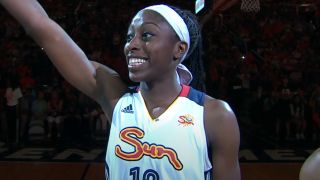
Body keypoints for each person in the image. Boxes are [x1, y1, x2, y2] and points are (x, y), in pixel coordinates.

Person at [0, 1, 241, 179]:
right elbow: (42, 27)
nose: (131, 45)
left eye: (146, 35)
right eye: (129, 36)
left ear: (179, 49)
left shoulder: (215, 115)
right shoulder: (116, 98)